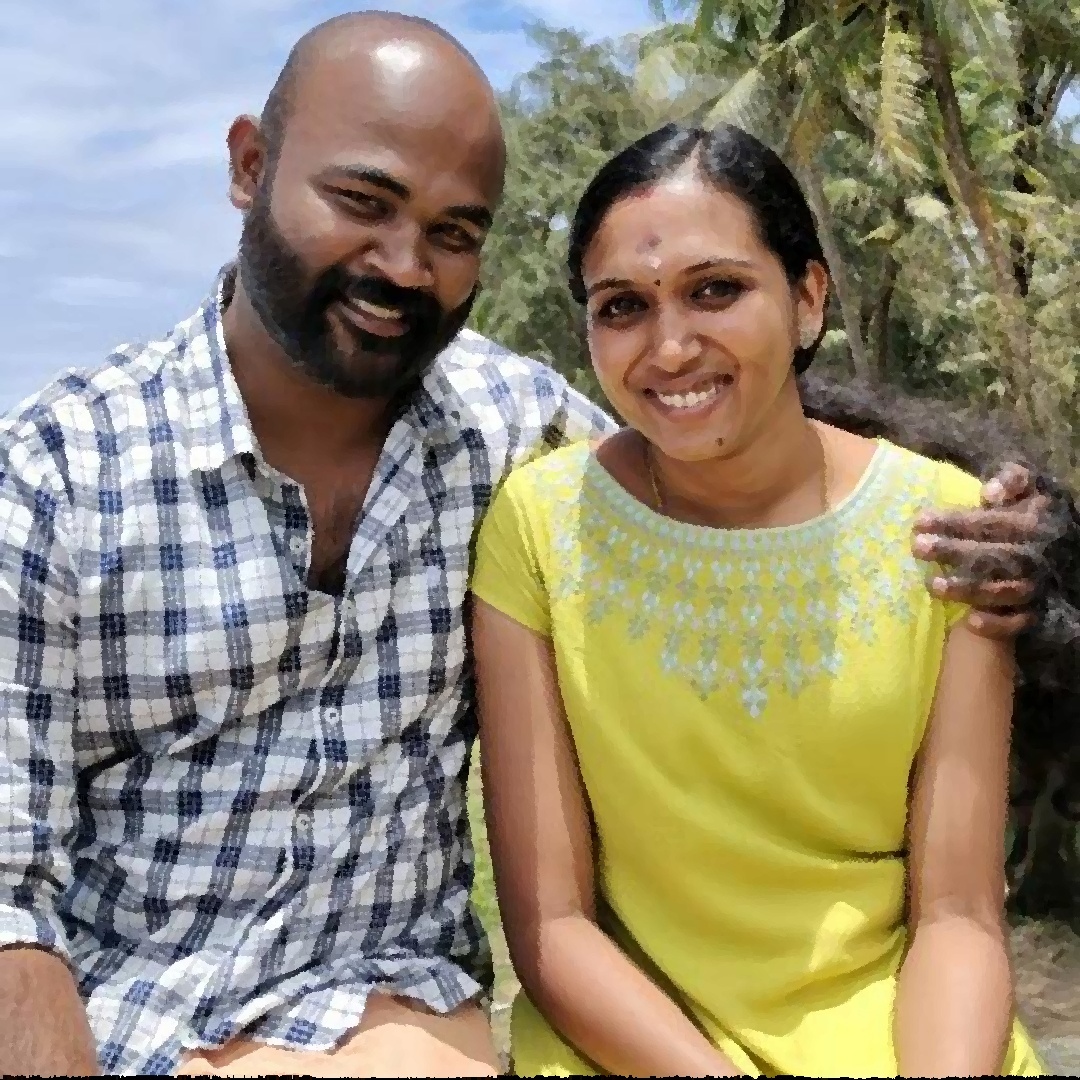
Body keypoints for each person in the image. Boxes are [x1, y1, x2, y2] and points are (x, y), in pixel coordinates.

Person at [0, 12, 1059, 1078]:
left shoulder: (504, 431)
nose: (403, 265)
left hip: (387, 1010)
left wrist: (1012, 519)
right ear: (249, 166)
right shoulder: (58, 476)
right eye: (362, 201)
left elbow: (720, 434)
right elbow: (7, 896)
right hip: (121, 1010)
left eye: (455, 232)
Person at [469, 122, 1048, 1077]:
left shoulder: (950, 531)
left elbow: (957, 915)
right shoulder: (540, 526)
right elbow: (553, 927)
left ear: (808, 297)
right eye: (623, 306)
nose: (670, 347)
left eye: (716, 290)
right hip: (632, 1047)